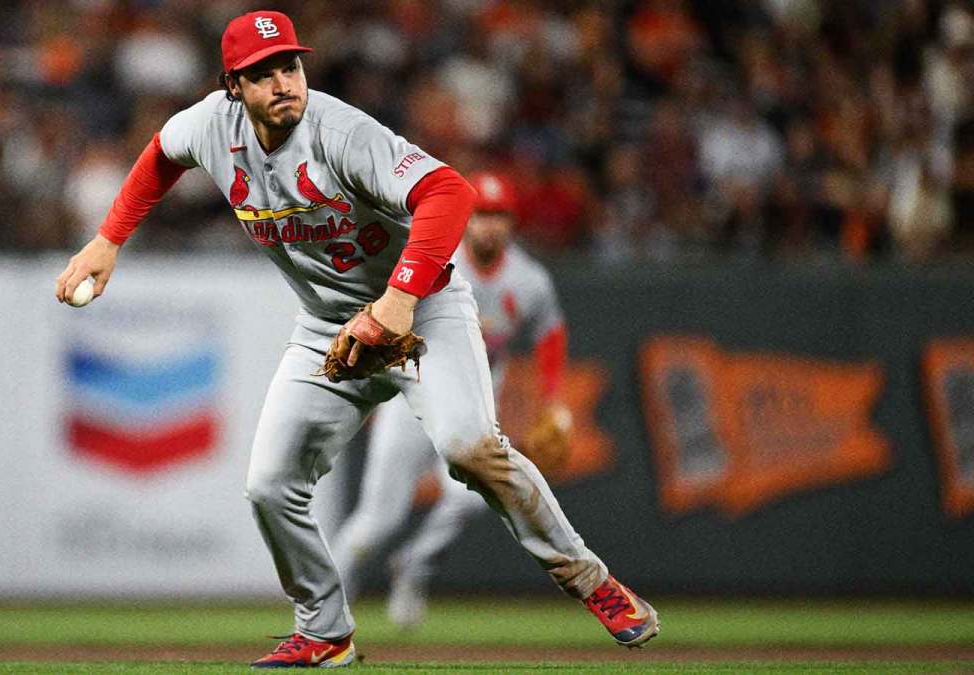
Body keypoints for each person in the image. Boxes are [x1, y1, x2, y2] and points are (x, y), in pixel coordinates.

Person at [55, 11, 659, 668]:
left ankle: (595, 582)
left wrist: (397, 302)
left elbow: (447, 193)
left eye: (290, 65)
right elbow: (159, 155)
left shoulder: (339, 132)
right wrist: (108, 239)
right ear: (234, 86)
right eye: (263, 74)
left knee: (469, 448)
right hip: (326, 329)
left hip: (423, 311)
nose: (284, 82)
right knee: (269, 484)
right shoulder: (209, 126)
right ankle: (325, 628)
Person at [330, 172, 578, 629]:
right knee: (377, 520)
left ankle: (414, 565)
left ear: (512, 223)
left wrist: (553, 400)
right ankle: (325, 605)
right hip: (411, 397)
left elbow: (550, 335)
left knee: (471, 497)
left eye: (500, 216)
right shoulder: (436, 259)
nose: (490, 226)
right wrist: (367, 393)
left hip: (469, 404)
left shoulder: (529, 281)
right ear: (467, 219)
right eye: (482, 214)